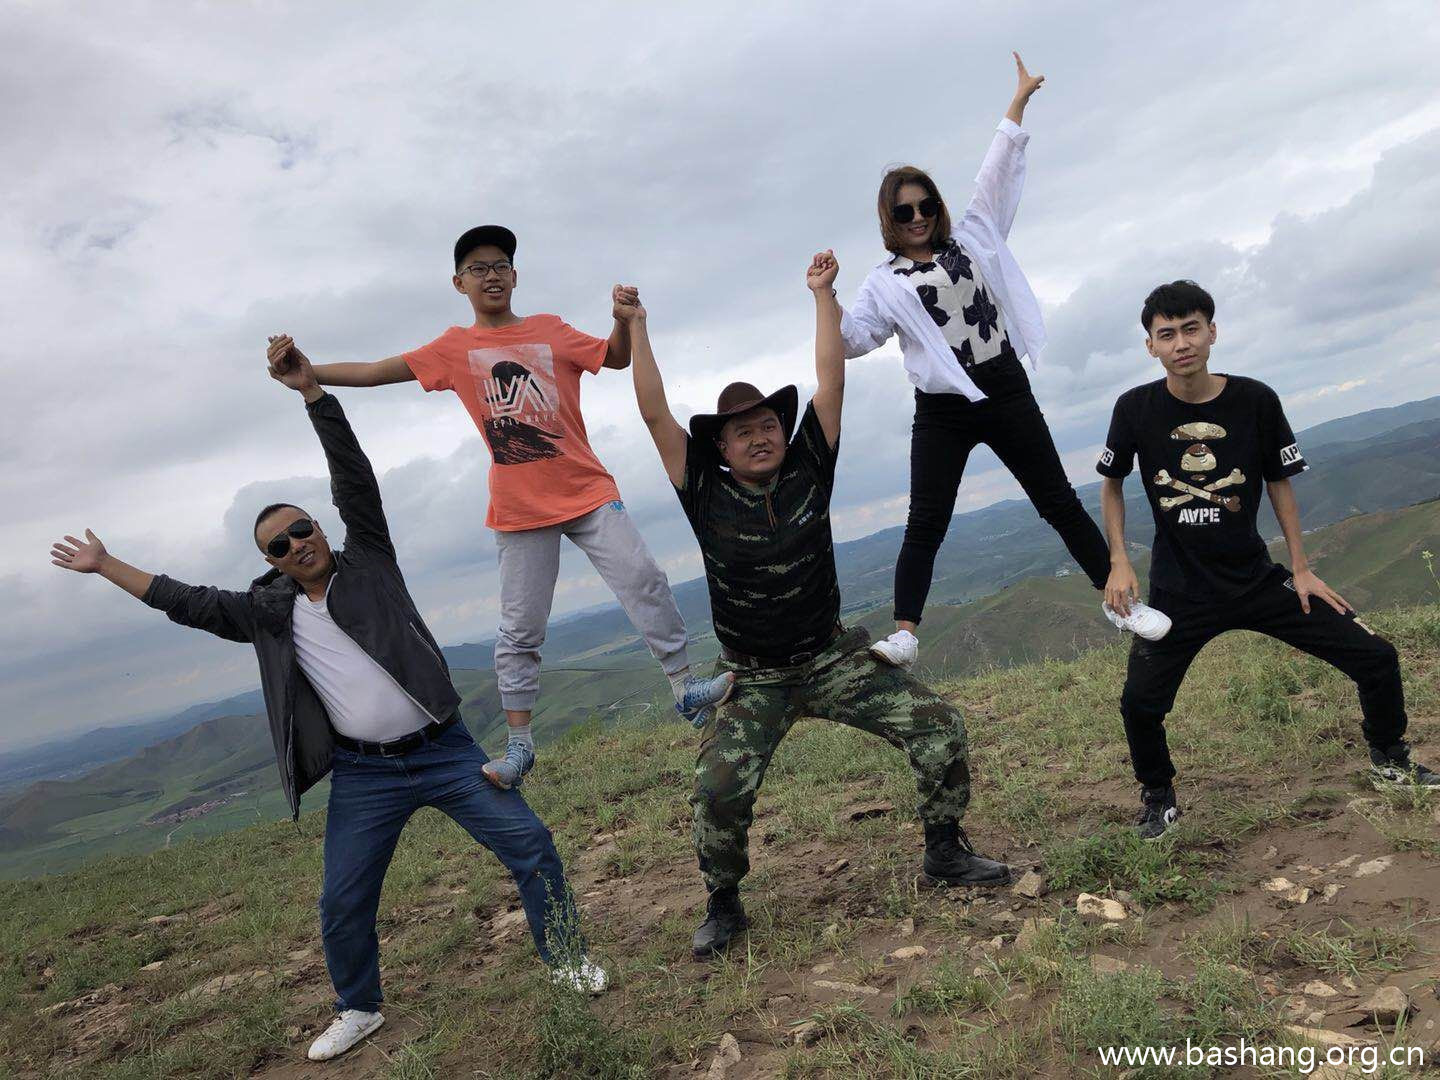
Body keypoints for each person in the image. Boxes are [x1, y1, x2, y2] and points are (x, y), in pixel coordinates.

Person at [49, 353, 607, 1063]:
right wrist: (106, 566)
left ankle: (565, 961)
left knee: (530, 846)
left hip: (444, 749)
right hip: (364, 776)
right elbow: (183, 602)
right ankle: (359, 1007)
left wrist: (314, 394)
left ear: (318, 529)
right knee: (343, 900)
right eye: (279, 544)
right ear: (273, 561)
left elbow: (355, 479)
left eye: (302, 529)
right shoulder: (265, 612)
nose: (297, 544)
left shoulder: (368, 560)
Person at [622, 250, 1012, 961]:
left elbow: (831, 379)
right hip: (752, 675)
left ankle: (946, 851)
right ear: (723, 447)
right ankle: (724, 902)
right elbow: (653, 413)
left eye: (768, 422)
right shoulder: (703, 493)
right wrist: (637, 327)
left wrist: (823, 296)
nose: (760, 434)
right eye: (742, 431)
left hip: (832, 656)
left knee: (939, 726)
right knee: (717, 788)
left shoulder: (810, 467)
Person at [265, 224, 731, 791]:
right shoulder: (454, 347)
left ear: (515, 275)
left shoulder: (550, 329)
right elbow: (379, 370)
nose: (492, 275)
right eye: (479, 268)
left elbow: (614, 357)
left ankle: (684, 687)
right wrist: (311, 377)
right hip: (519, 509)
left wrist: (621, 316)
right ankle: (519, 745)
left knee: (644, 578)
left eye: (501, 265)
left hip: (587, 489)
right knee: (520, 628)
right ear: (458, 282)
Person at [837, 53, 1170, 670]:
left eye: (924, 206)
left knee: (1057, 501)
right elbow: (854, 340)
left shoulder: (973, 236)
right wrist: (822, 296)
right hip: (942, 406)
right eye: (903, 212)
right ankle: (906, 633)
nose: (917, 219)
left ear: (936, 207)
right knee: (926, 520)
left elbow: (996, 173)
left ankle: (1120, 604)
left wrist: (1017, 104)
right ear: (889, 220)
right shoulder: (882, 284)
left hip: (1004, 384)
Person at [1098, 280, 1438, 839]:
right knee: (1140, 704)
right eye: (1167, 334)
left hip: (1255, 579)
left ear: (1212, 332)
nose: (1181, 343)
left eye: (1191, 329)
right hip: (1179, 591)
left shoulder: (1255, 399)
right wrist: (1119, 558)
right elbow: (1111, 484)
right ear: (1150, 346)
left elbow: (1279, 482)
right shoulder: (1134, 409)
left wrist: (1301, 568)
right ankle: (1159, 798)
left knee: (1375, 656)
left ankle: (1390, 759)